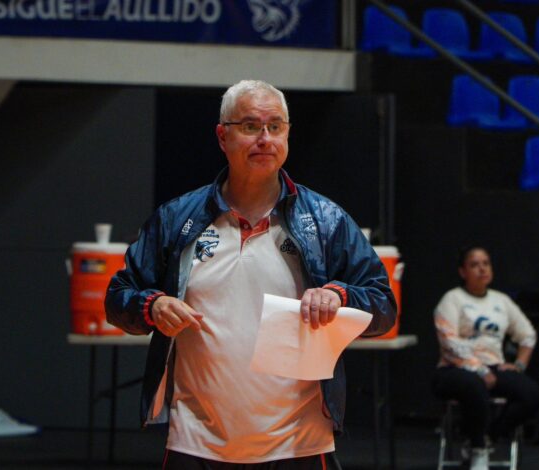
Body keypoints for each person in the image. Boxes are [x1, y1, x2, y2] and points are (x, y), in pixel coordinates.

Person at [105, 79, 397, 469]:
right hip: (196, 440)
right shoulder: (176, 218)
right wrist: (152, 305)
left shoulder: (326, 220)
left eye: (275, 126)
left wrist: (340, 296)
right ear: (222, 136)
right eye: (250, 126)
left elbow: (383, 307)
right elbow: (118, 297)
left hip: (300, 442)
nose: (264, 138)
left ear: (288, 134)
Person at [431, 245, 539, 470]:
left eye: (486, 263)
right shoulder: (452, 299)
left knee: (531, 393)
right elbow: (449, 342)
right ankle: (479, 450)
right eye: (474, 265)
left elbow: (528, 335)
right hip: (455, 369)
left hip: (493, 366)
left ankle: (488, 437)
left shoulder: (501, 301)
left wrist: (519, 364)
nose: (482, 269)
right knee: (474, 385)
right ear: (463, 272)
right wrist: (479, 369)